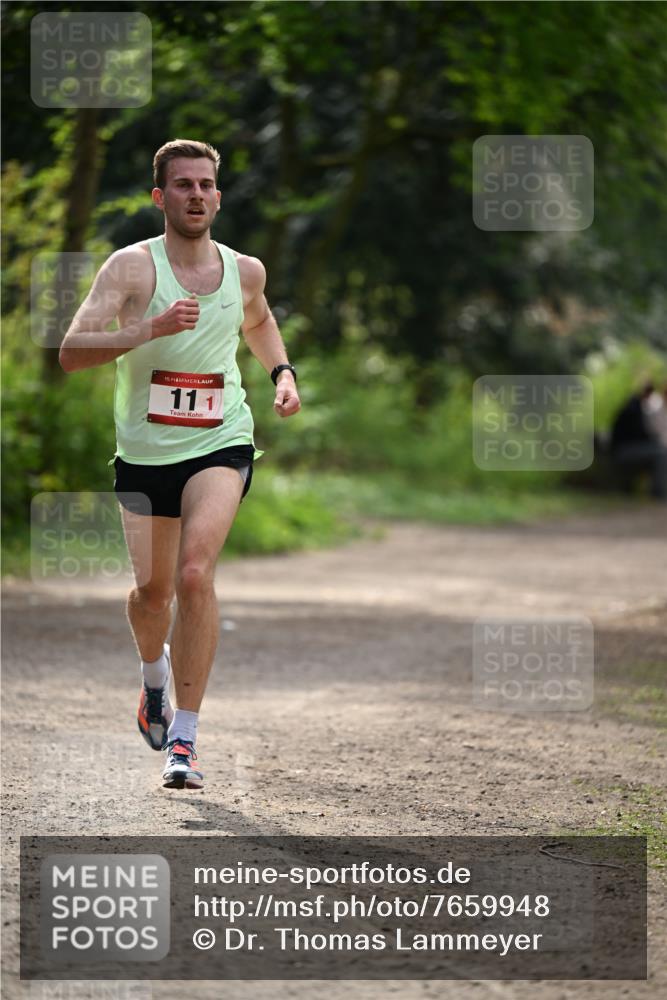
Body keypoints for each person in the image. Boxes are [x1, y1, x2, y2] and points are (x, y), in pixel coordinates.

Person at [59, 139, 301, 789]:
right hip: (143, 453)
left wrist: (280, 372)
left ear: (218, 197)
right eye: (183, 185)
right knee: (151, 595)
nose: (196, 194)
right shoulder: (129, 270)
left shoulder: (245, 270)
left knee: (195, 575)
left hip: (219, 439)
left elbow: (258, 320)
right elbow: (72, 351)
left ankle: (185, 744)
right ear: (159, 197)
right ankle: (153, 682)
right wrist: (148, 329)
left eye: (205, 185)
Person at [609, 382, 667, 500]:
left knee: (661, 452)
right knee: (661, 454)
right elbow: (639, 433)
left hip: (627, 448)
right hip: (623, 451)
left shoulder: (636, 405)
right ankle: (659, 493)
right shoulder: (634, 408)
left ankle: (658, 491)